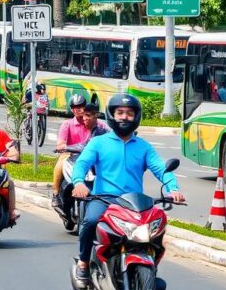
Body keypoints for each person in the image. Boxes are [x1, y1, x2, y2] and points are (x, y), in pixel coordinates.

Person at [70, 94, 184, 284]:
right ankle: (83, 263)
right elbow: (81, 164)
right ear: (112, 115)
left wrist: (173, 188)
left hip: (133, 203)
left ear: (136, 117)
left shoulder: (143, 147)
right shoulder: (98, 143)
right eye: (120, 112)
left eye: (129, 113)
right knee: (89, 222)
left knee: (155, 229)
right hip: (104, 200)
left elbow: (161, 169)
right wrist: (79, 183)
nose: (124, 117)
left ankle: (150, 268)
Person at [51, 94, 100, 208]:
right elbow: (61, 143)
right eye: (75, 107)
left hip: (91, 155)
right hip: (71, 153)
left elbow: (108, 132)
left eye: (81, 106)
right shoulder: (67, 124)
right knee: (59, 165)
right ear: (72, 109)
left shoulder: (94, 122)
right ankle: (56, 193)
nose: (78, 109)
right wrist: (64, 147)